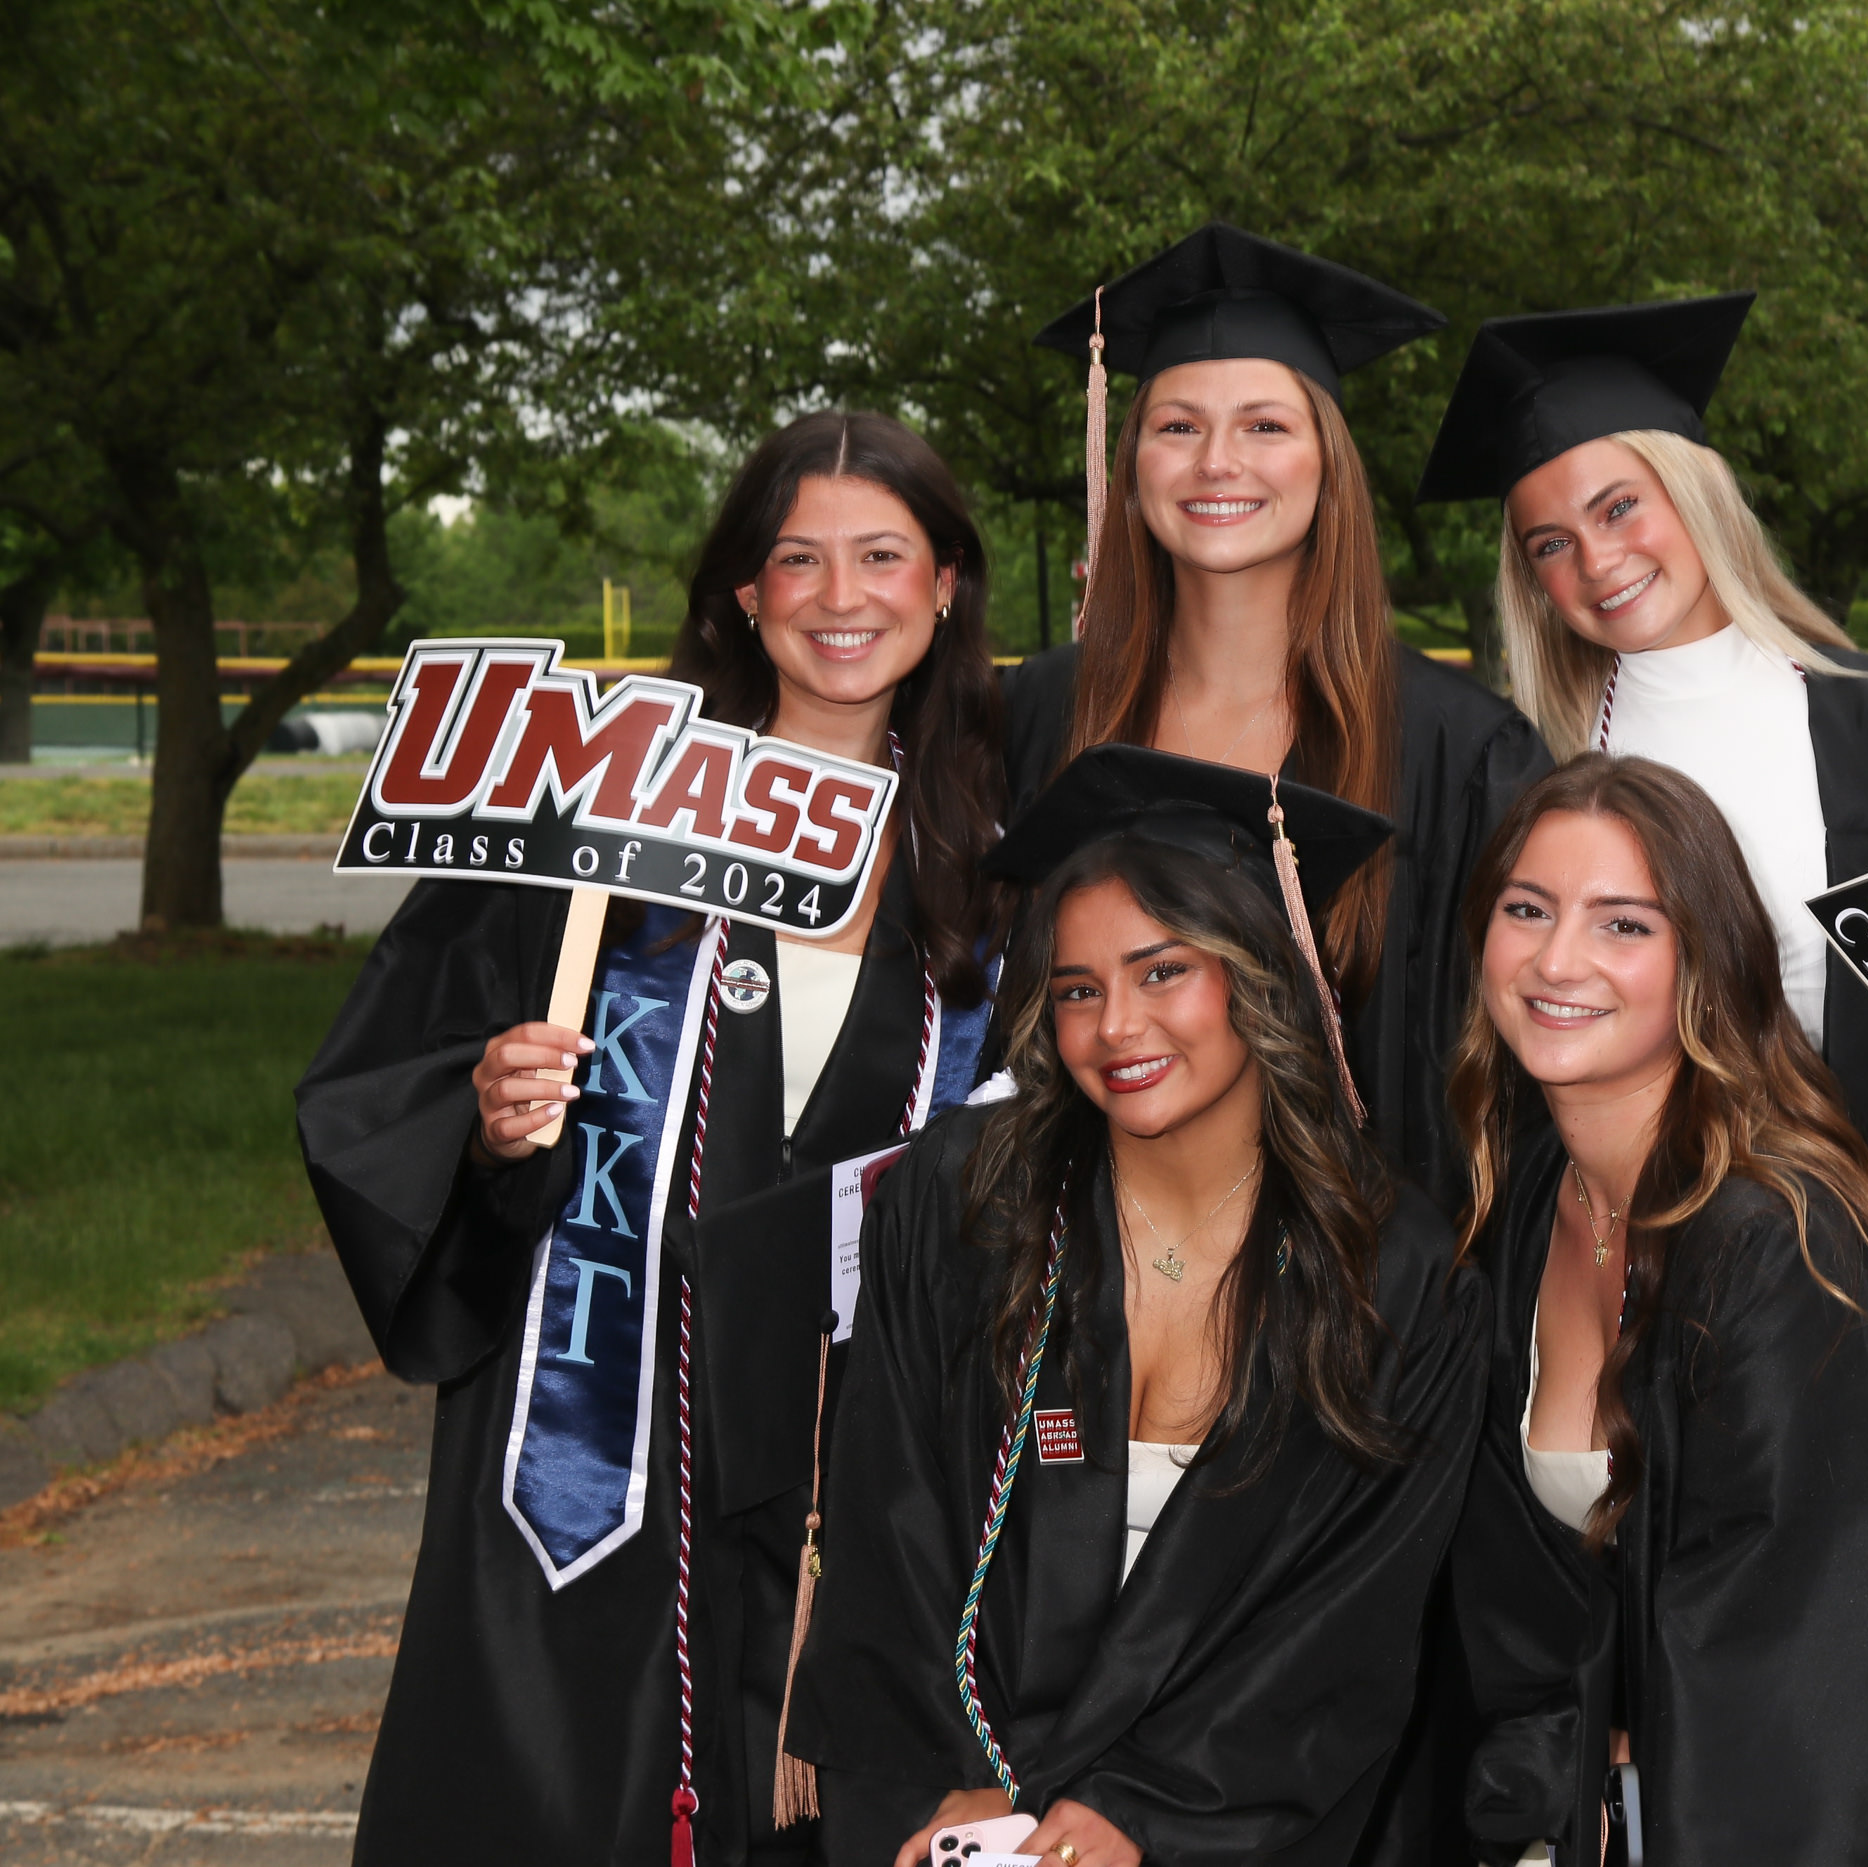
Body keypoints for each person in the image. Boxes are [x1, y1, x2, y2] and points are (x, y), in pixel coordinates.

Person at [295, 411, 1011, 1866]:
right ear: (744, 592)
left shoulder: (995, 860)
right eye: (797, 558)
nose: (841, 596)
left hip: (858, 1480)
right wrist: (487, 1124)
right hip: (600, 1464)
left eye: (882, 556)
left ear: (944, 586)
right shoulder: (597, 819)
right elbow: (383, 1084)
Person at [786, 747, 1489, 1867]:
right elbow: (892, 1514)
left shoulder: (1390, 1276)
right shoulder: (969, 1200)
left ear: (1258, 972)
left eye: (1162, 972)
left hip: (1216, 1822)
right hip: (959, 1811)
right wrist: (962, 1782)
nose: (1116, 1026)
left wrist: (1141, 1812)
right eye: (1078, 989)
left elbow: (1343, 1615)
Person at [1449, 754, 1868, 1865]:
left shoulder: (1782, 1247)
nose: (1557, 959)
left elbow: (1825, 1660)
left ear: (1705, 959)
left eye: (1623, 924)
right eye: (1527, 909)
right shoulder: (1533, 1198)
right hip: (1712, 1785)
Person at [1415, 295, 1868, 1307]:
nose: (1596, 561)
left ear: (1695, 490)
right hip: (1637, 1264)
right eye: (1549, 543)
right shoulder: (1530, 771)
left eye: (1617, 508)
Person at [1016, 223, 1551, 1215]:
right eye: (1177, 428)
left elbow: (1509, 1078)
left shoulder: (1461, 748)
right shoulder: (1043, 711)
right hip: (1093, 1254)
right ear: (1128, 464)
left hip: (1367, 1266)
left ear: (1327, 462)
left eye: (1265, 426)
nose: (1217, 462)